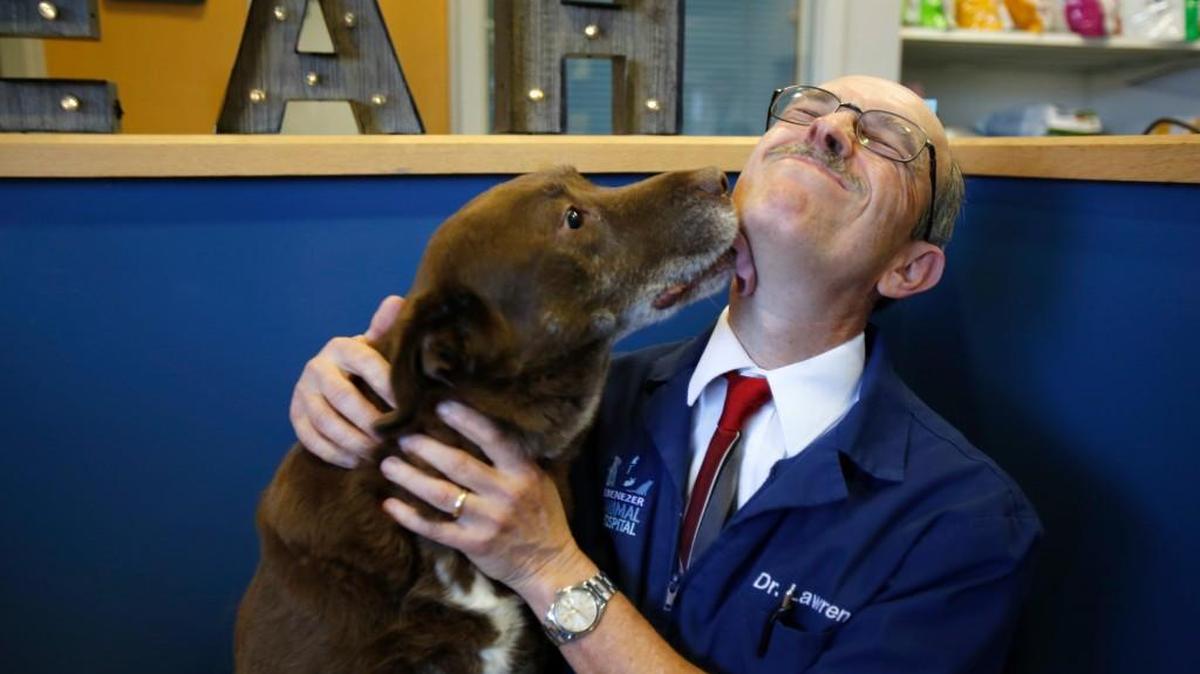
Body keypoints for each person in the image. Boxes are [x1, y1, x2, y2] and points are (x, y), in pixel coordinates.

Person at [287, 75, 1042, 673]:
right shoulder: (576, 409)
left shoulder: (962, 525)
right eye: (809, 105)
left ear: (910, 269)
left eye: (888, 139)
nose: (831, 127)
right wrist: (353, 396)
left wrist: (549, 567)